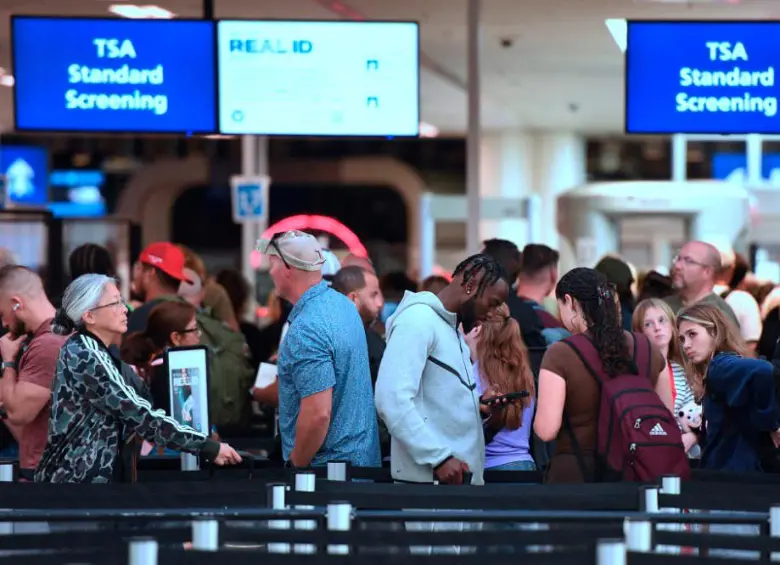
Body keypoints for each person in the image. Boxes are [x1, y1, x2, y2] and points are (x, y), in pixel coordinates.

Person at [35, 274, 241, 483]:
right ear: (89, 316)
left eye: (122, 301)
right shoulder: (86, 355)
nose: (125, 309)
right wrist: (207, 446)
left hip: (85, 483)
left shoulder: (92, 350)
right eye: (115, 303)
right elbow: (138, 413)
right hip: (75, 485)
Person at [375, 254, 510, 485]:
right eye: (493, 303)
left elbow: (438, 407)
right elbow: (391, 399)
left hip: (453, 487)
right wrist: (439, 458)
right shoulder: (418, 320)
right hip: (430, 488)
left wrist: (480, 409)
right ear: (470, 286)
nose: (491, 314)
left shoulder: (451, 330)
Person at [533, 268, 672, 483]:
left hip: (575, 477)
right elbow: (665, 417)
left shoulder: (560, 353)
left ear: (570, 302)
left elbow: (546, 430)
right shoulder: (648, 348)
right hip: (634, 476)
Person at [257, 230, 380, 467]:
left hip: (325, 475)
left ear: (287, 268)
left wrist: (296, 465)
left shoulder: (307, 327)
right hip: (361, 467)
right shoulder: (344, 305)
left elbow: (318, 414)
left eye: (272, 264)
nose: (270, 272)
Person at [678, 304, 780, 472]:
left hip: (732, 474)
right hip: (736, 471)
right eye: (682, 339)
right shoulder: (720, 366)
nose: (686, 345)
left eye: (692, 334)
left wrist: (770, 424)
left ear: (714, 331)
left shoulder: (720, 366)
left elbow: (763, 371)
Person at [0, 266, 67, 479]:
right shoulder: (52, 336)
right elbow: (25, 423)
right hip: (42, 468)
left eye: (3, 314)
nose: (4, 324)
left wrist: (8, 361)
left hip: (45, 475)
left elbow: (19, 413)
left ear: (16, 304)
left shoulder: (48, 344)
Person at [464, 303, 536, 471]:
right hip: (525, 464)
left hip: (490, 469)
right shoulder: (524, 373)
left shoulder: (470, 374)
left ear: (476, 329)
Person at [632, 298, 699, 456]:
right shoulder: (637, 372)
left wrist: (693, 436)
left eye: (662, 320)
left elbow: (694, 414)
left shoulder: (680, 370)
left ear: (673, 326)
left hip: (685, 455)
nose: (657, 327)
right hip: (653, 452)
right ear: (639, 333)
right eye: (648, 324)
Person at [121, 301, 201, 415]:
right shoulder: (164, 373)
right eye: (194, 329)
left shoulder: (156, 366)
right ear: (176, 338)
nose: (199, 334)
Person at [665, 241, 739, 329]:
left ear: (707, 272)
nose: (677, 266)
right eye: (678, 259)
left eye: (688, 261)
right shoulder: (664, 307)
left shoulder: (720, 316)